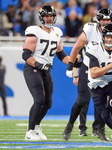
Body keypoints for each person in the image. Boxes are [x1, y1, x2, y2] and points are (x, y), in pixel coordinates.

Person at [63, 8, 112, 141]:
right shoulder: (90, 29)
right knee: (81, 99)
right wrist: (71, 66)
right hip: (89, 66)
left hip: (107, 68)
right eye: (102, 19)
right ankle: (70, 125)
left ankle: (100, 130)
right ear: (98, 20)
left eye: (108, 19)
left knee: (102, 101)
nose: (105, 22)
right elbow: (76, 48)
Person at [22, 5, 70, 141]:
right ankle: (29, 131)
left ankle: (36, 126)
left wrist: (72, 62)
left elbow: (61, 54)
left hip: (46, 69)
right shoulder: (34, 31)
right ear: (41, 17)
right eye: (46, 16)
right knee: (39, 98)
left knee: (48, 103)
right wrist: (37, 64)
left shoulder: (57, 32)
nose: (49, 19)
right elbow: (25, 54)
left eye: (51, 16)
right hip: (33, 68)